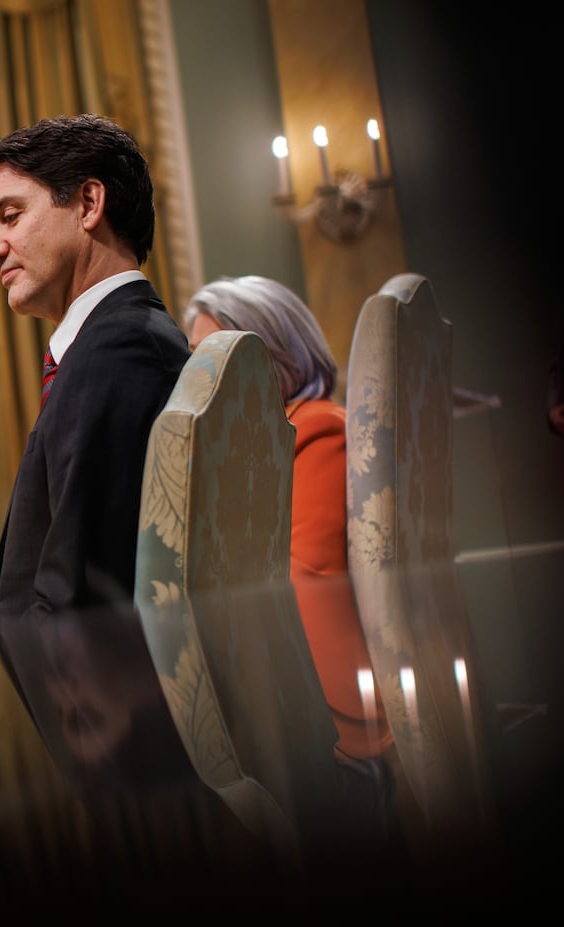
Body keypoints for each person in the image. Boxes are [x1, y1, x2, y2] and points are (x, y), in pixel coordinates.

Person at [184, 276, 397, 830]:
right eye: (195, 364)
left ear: (274, 354)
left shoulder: (316, 428)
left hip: (335, 736)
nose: (199, 381)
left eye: (217, 359)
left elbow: (306, 583)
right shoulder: (265, 445)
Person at [0, 114, 190, 645]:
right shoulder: (119, 340)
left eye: (10, 215)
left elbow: (84, 594)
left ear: (90, 205)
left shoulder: (118, 350)